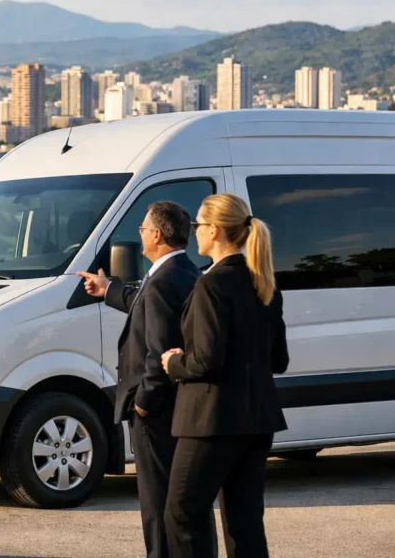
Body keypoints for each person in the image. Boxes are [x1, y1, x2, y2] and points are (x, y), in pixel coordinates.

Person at [160, 194, 289, 558]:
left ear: (214, 230)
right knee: (245, 522)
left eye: (198, 225)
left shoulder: (211, 284)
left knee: (182, 513)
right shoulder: (263, 282)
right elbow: (278, 360)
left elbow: (206, 361)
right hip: (257, 419)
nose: (194, 232)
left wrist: (173, 363)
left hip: (211, 420)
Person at [77, 201, 201, 558]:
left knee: (157, 499)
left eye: (143, 229)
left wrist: (144, 402)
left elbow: (158, 351)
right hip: (178, 406)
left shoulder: (163, 280)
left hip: (156, 412)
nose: (141, 234)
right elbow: (145, 305)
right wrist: (108, 289)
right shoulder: (184, 271)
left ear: (157, 235)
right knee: (178, 498)